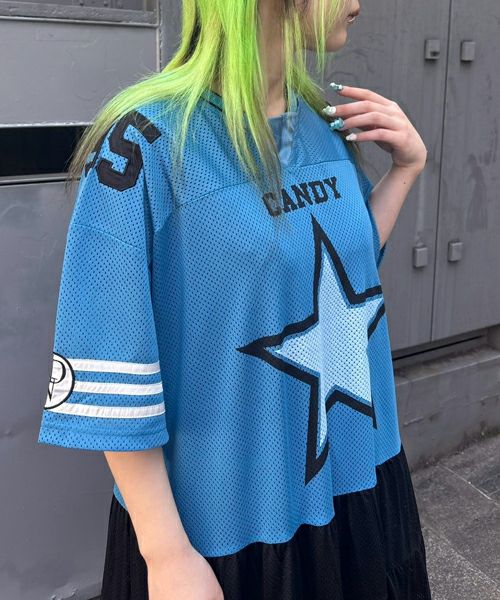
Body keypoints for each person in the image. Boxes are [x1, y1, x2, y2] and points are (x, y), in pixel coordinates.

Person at [37, 0, 432, 598]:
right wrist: (166, 552)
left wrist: (405, 169)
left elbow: (336, 277)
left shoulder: (321, 124)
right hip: (233, 522)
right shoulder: (146, 142)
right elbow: (109, 358)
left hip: (358, 478)